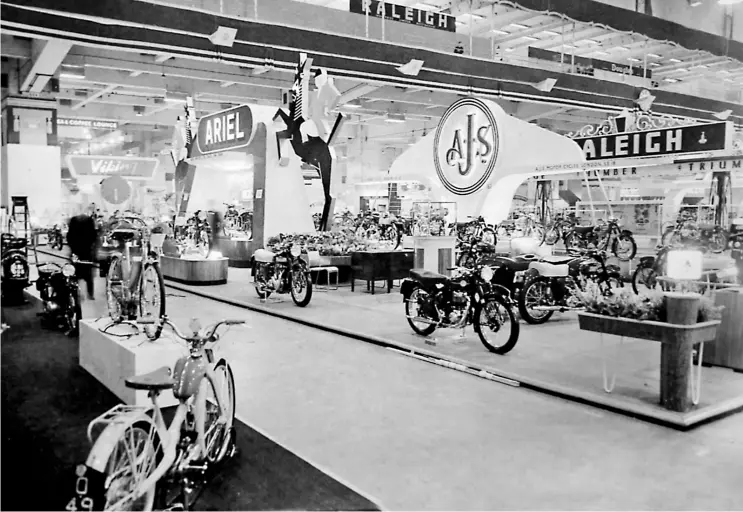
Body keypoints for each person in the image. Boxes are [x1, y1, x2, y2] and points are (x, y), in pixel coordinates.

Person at [67, 208, 98, 300]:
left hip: (76, 250)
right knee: (88, 275)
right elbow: (93, 235)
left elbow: (69, 236)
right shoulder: (89, 220)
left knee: (74, 274)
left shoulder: (73, 220)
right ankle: (90, 294)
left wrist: (72, 248)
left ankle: (75, 293)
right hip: (86, 251)